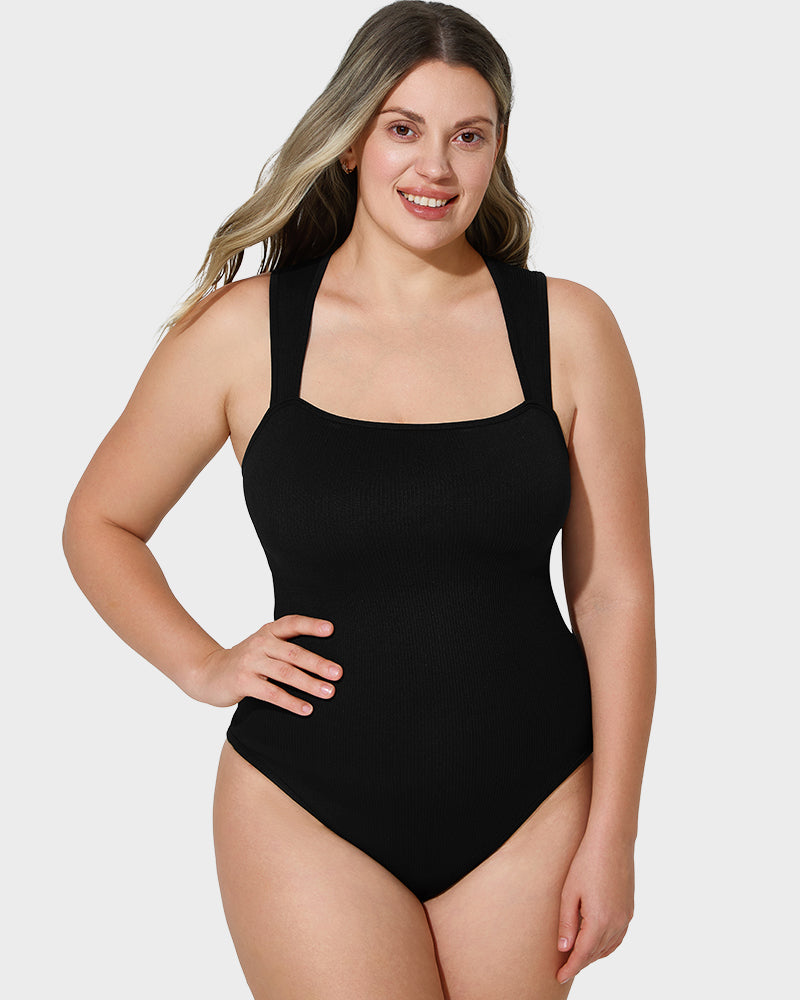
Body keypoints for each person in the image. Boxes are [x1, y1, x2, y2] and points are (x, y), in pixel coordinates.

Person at [62, 2, 656, 997]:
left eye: (469, 136)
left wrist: (615, 834)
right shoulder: (244, 332)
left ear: (498, 150)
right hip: (304, 803)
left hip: (534, 802)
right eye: (402, 128)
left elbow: (614, 595)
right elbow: (99, 523)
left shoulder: (570, 330)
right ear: (349, 142)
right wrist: (201, 663)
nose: (436, 167)